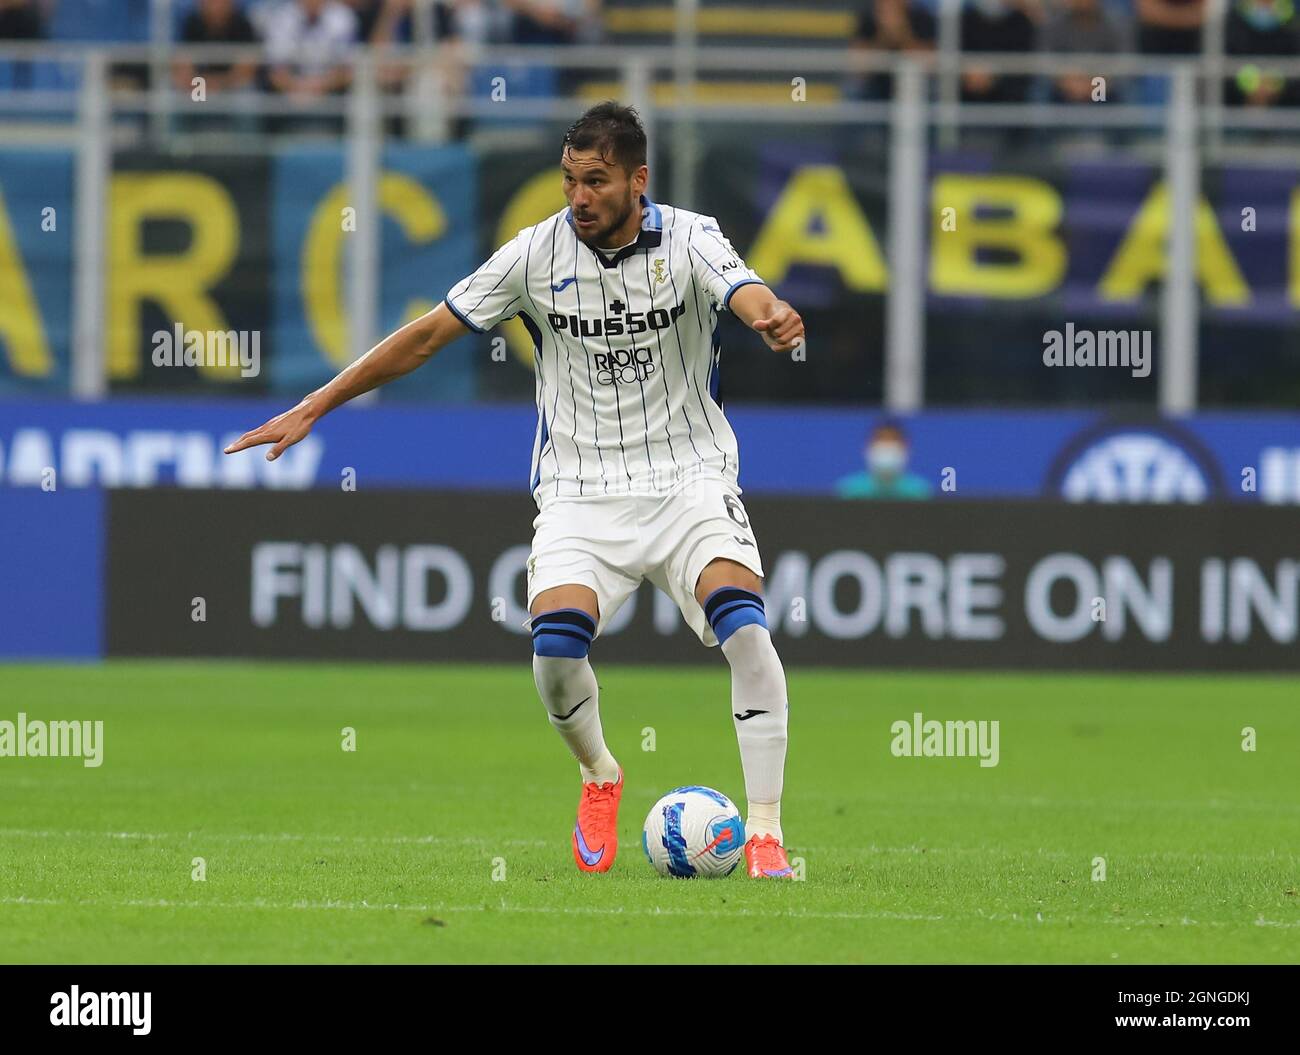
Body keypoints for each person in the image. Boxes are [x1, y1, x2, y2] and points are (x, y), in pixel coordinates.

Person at [224, 102, 805, 880]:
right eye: (569, 179)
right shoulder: (535, 255)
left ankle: (764, 830)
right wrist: (313, 405)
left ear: (638, 180)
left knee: (746, 628)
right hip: (579, 491)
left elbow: (747, 292)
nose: (578, 196)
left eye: (595, 181)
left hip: (689, 480)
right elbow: (427, 336)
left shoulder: (693, 238)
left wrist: (771, 316)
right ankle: (600, 772)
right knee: (555, 649)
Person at [836, 420, 932, 499]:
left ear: (906, 447)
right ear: (868, 446)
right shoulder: (849, 489)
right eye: (881, 439)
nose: (887, 446)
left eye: (893, 440)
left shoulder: (919, 491)